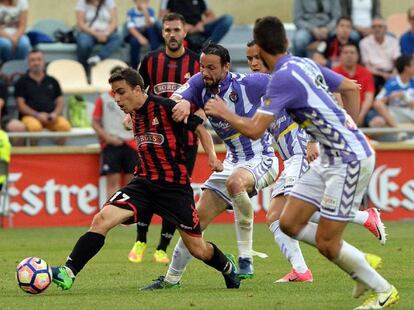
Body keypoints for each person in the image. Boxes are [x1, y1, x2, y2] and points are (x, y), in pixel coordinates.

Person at [204, 17, 399, 309]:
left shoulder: (281, 79)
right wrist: (351, 127)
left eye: (255, 56)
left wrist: (225, 112)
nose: (253, 62)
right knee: (288, 223)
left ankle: (383, 290)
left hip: (348, 159)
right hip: (329, 157)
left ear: (263, 49)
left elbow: (256, 129)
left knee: (326, 243)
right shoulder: (303, 63)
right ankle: (358, 268)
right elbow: (350, 86)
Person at [51, 67, 240, 291]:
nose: (117, 99)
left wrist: (211, 156)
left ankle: (227, 266)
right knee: (102, 219)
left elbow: (201, 130)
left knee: (197, 249)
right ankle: (68, 271)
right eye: (114, 93)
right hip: (142, 184)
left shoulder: (167, 108)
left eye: (121, 92)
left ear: (138, 89)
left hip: (173, 189)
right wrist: (128, 117)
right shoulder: (134, 114)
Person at [140, 43, 279, 290]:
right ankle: (171, 280)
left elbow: (291, 84)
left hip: (262, 158)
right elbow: (175, 101)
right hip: (233, 162)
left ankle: (246, 257)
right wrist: (181, 103)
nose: (205, 72)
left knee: (235, 182)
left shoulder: (250, 83)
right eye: (202, 66)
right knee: (191, 225)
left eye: (211, 67)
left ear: (226, 67)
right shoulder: (198, 83)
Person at [244, 42, 385, 283]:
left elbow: (327, 99)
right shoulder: (263, 88)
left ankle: (304, 269)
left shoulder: (286, 79)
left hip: (301, 154)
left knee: (278, 216)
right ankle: (361, 223)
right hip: (291, 158)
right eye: (249, 59)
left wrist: (312, 140)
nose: (254, 63)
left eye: (258, 57)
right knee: (292, 217)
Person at [127, 13, 201, 265]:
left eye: (176, 29)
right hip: (153, 137)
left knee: (176, 191)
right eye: (168, 30)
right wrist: (130, 115)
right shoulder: (150, 61)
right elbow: (137, 93)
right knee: (147, 182)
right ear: (162, 33)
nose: (172, 34)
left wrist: (196, 114)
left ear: (185, 32)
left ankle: (162, 246)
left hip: (186, 141)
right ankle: (140, 240)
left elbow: (204, 98)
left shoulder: (196, 62)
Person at [92, 65, 138, 201]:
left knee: (132, 183)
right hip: (112, 144)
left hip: (131, 144)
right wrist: (107, 138)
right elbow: (95, 122)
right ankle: (112, 213)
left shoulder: (133, 97)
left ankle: (129, 215)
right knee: (113, 182)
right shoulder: (104, 98)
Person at [14, 49, 71, 144]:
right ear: (28, 63)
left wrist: (55, 114)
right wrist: (37, 115)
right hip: (30, 117)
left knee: (65, 126)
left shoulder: (53, 81)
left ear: (44, 61)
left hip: (51, 117)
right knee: (35, 127)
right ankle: (33, 152)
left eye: (39, 59)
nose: (36, 63)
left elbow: (60, 102)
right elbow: (21, 105)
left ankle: (59, 152)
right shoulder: (21, 82)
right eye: (32, 60)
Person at [158, 0, 233, 52]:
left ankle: (208, 46)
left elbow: (211, 16)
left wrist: (202, 23)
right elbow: (162, 18)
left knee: (227, 19)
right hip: (179, 30)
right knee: (157, 24)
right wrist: (182, 25)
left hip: (199, 28)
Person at [332, 43, 376, 127]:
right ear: (340, 55)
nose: (349, 55)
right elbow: (335, 96)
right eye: (346, 53)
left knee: (378, 122)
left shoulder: (366, 73)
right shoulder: (333, 73)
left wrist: (360, 116)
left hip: (364, 112)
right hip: (340, 112)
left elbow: (369, 98)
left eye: (352, 53)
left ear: (358, 56)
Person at [75, 0, 122, 69]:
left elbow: (114, 22)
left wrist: (106, 33)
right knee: (84, 43)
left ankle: (98, 58)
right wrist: (97, 34)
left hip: (106, 33)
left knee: (118, 37)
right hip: (88, 32)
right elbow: (81, 24)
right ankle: (83, 68)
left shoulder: (109, 2)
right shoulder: (82, 2)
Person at [373, 55, 414, 131]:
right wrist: (389, 97)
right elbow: (378, 102)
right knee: (377, 121)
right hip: (394, 112)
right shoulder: (392, 83)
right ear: (406, 68)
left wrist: (404, 98)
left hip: (411, 112)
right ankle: (397, 129)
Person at [359, 17, 400, 93]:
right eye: (374, 27)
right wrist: (383, 75)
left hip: (392, 72)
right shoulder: (364, 43)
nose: (377, 29)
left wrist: (394, 73)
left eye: (380, 26)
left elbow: (397, 61)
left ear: (385, 29)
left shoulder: (394, 41)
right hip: (374, 73)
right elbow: (367, 66)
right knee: (369, 79)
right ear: (371, 29)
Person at [125, 0, 161, 69]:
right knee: (133, 42)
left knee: (151, 30)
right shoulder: (131, 12)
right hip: (135, 33)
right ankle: (135, 66)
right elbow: (130, 28)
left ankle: (155, 52)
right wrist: (140, 37)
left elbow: (150, 24)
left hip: (147, 31)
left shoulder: (150, 11)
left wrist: (145, 12)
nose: (143, 2)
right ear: (135, 1)